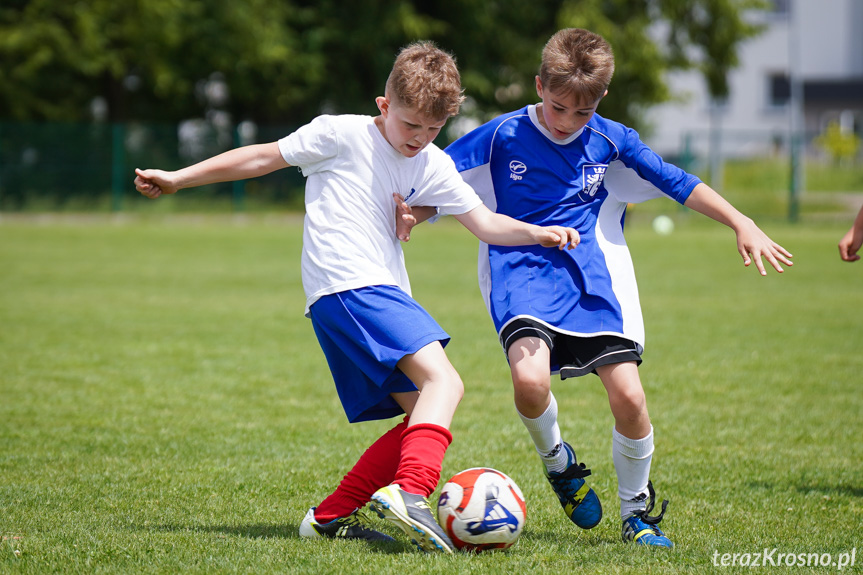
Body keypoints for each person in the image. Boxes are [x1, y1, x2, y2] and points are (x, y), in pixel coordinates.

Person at [134, 41, 579, 554]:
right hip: (348, 284)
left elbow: (484, 222)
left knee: (421, 413)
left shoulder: (432, 163)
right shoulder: (339, 133)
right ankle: (412, 494)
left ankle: (327, 518)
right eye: (411, 125)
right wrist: (178, 179)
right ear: (384, 106)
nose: (420, 138)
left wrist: (538, 232)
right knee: (446, 382)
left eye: (433, 129)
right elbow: (261, 157)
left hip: (369, 292)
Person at [400, 28, 793, 548]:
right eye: (558, 107)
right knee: (529, 381)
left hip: (594, 277)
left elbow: (677, 181)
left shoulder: (611, 138)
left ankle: (637, 514)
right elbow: (441, 177)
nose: (567, 122)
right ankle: (559, 464)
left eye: (581, 113)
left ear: (601, 98)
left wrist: (740, 220)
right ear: (540, 86)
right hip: (521, 272)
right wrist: (414, 212)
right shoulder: (501, 135)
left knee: (629, 395)